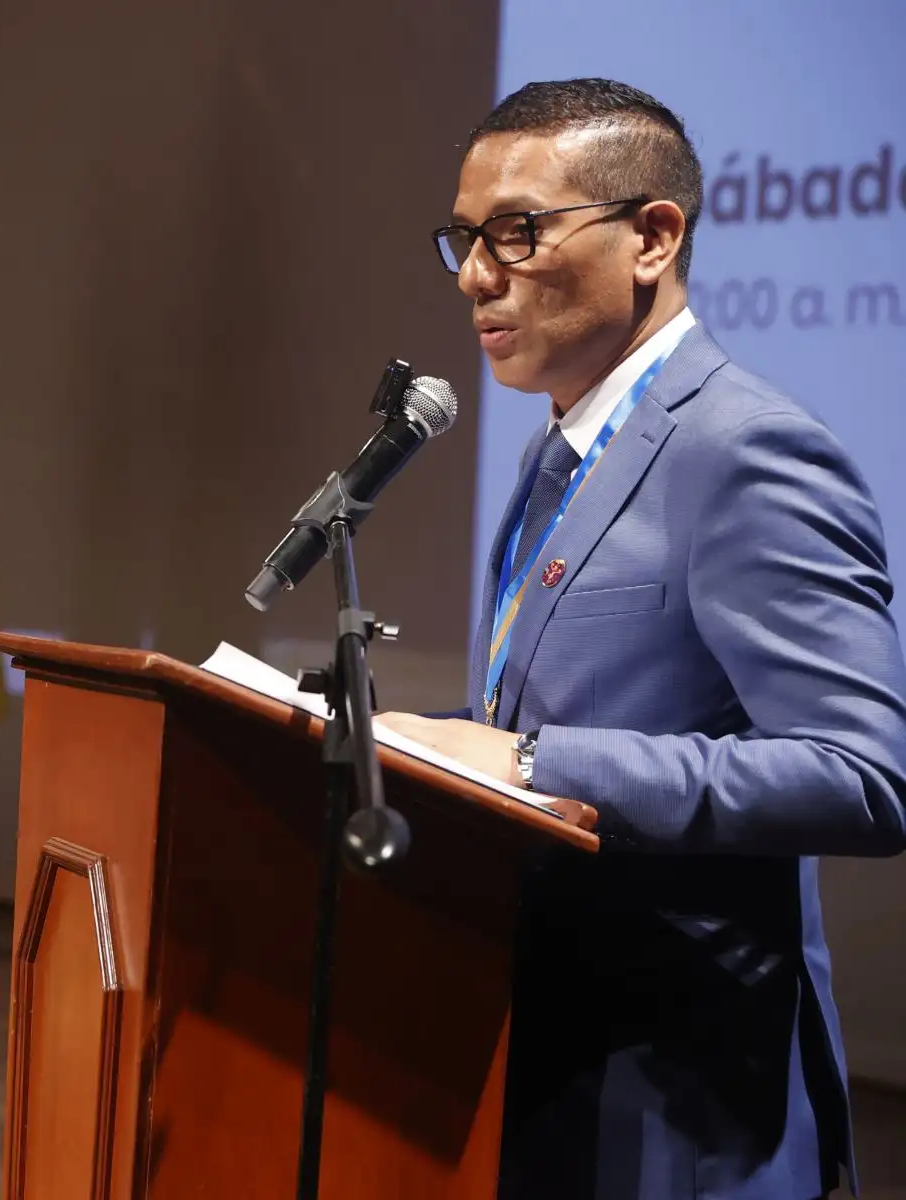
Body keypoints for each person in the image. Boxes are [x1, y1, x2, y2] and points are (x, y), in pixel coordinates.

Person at [377, 79, 906, 1199]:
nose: (476, 276)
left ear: (653, 237)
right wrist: (426, 744)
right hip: (544, 1059)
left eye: (517, 232)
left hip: (685, 1104)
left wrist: (530, 763)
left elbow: (859, 777)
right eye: (466, 238)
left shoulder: (747, 452)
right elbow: (556, 715)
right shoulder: (555, 452)